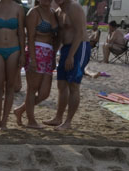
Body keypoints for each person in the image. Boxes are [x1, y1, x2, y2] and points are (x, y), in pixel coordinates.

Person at [44, 0, 89, 130]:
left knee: (73, 85)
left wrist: (71, 56)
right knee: (61, 84)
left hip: (79, 47)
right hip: (65, 49)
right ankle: (58, 118)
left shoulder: (74, 7)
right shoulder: (58, 12)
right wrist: (54, 54)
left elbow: (80, 32)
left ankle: (68, 122)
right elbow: (59, 36)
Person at [13, 0, 59, 129]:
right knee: (32, 90)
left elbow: (55, 37)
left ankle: (20, 110)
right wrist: (32, 59)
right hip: (36, 51)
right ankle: (31, 121)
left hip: (49, 53)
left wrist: (53, 57)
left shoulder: (53, 12)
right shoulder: (33, 13)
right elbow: (30, 37)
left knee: (45, 93)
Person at [0, 0, 25, 130]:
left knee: (10, 86)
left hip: (14, 50)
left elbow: (21, 33)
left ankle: (5, 121)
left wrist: (23, 54)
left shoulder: (18, 8)